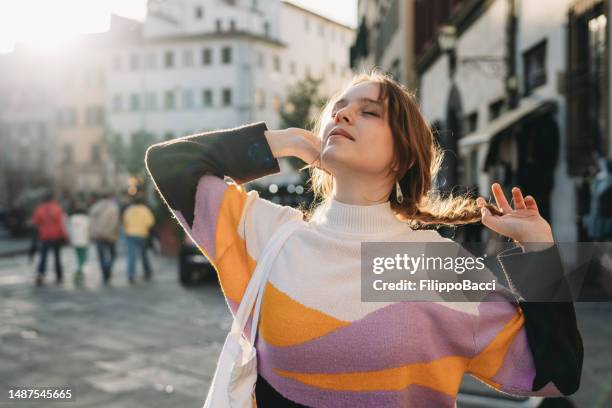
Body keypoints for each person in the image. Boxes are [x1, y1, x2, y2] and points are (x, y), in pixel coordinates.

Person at [145, 70, 583, 407]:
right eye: (338, 108)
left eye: (370, 111)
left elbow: (556, 374)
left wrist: (539, 251)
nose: (343, 114)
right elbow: (169, 164)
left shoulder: (437, 266)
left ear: (403, 157)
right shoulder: (268, 235)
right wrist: (288, 140)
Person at [32, 191, 68, 286]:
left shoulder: (40, 209)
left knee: (43, 257)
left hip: (45, 236)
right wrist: (64, 236)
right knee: (57, 257)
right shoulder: (57, 208)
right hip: (56, 236)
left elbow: (36, 221)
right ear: (52, 198)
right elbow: (61, 224)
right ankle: (59, 276)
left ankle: (40, 274)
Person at [122, 195, 155, 284]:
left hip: (131, 235)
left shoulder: (128, 210)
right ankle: (147, 272)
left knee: (131, 256)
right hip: (143, 235)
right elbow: (150, 223)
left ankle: (131, 275)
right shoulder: (145, 210)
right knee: (144, 255)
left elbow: (124, 222)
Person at [89, 192, 120, 284]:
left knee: (101, 255)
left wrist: (95, 233)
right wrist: (108, 232)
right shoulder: (114, 207)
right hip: (110, 235)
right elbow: (115, 222)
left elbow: (92, 223)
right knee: (113, 254)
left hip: (98, 236)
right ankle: (108, 268)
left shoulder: (94, 207)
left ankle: (104, 272)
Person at [68, 203, 90, 285]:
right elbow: (88, 229)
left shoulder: (72, 218)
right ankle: (80, 269)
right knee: (83, 256)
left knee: (78, 255)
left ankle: (79, 268)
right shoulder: (86, 219)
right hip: (84, 240)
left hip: (75, 240)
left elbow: (69, 229)